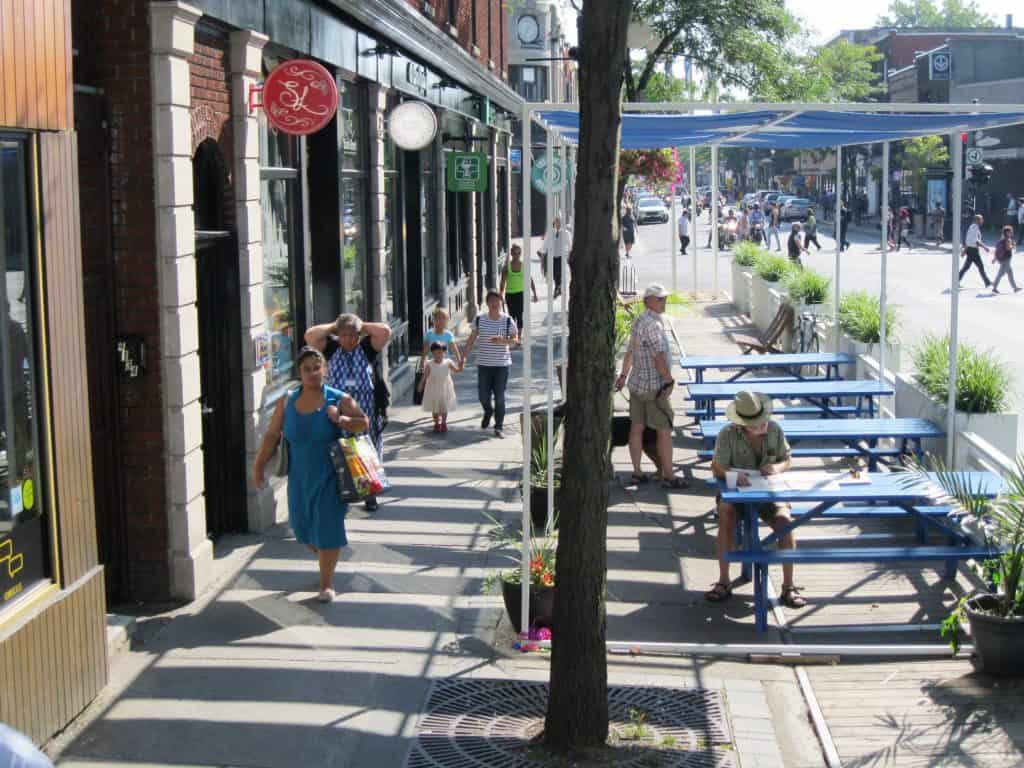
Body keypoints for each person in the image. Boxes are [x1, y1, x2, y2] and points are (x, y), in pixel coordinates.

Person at [253, 347, 369, 602]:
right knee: (303, 529)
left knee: (327, 528)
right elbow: (272, 435)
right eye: (307, 369)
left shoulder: (338, 399)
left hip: (332, 477)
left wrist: (342, 419)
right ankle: (327, 557)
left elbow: (364, 423)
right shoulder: (288, 400)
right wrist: (259, 465)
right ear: (300, 373)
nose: (313, 373)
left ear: (325, 369)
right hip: (299, 479)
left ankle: (326, 583)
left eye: (317, 367)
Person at [705, 390, 805, 607]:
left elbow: (787, 460)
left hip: (770, 493)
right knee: (726, 515)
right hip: (737, 493)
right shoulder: (727, 434)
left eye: (763, 420)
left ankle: (788, 585)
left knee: (785, 522)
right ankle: (723, 580)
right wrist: (733, 474)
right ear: (742, 423)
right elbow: (717, 466)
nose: (762, 425)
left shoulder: (775, 430)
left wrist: (777, 467)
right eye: (756, 423)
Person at [305, 313, 391, 511]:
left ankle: (370, 493)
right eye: (344, 335)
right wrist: (334, 326)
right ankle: (340, 491)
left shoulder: (367, 347)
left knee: (367, 450)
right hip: (338, 410)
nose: (349, 340)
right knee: (339, 449)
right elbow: (310, 336)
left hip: (366, 409)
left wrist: (361, 325)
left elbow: (385, 331)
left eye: (353, 335)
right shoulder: (331, 347)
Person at [615, 283, 688, 490]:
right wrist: (668, 380)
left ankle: (638, 473)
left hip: (637, 385)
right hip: (654, 388)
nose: (663, 301)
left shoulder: (639, 320)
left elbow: (630, 351)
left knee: (636, 428)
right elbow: (658, 357)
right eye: (659, 298)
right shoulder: (653, 325)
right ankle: (669, 476)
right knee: (664, 431)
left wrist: (623, 376)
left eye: (664, 298)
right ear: (648, 300)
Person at [463, 289, 518, 438]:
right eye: (491, 301)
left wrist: (503, 341)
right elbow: (471, 339)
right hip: (484, 364)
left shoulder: (507, 320)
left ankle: (498, 427)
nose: (494, 303)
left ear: (501, 302)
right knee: (483, 396)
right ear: (487, 303)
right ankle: (488, 410)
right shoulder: (480, 319)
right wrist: (464, 357)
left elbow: (515, 341)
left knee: (499, 396)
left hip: (502, 364)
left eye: (497, 300)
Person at [419, 341, 463, 432]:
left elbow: (457, 370)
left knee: (444, 407)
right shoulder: (429, 364)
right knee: (435, 408)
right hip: (433, 388)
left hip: (445, 388)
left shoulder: (448, 362)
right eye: (435, 353)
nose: (437, 355)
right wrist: (421, 384)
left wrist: (461, 366)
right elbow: (425, 376)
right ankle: (436, 423)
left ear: (444, 352)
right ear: (432, 353)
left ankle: (443, 423)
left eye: (439, 353)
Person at [499, 244, 537, 336]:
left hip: (521, 294)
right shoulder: (506, 267)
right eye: (515, 253)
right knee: (512, 316)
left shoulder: (524, 266)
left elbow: (530, 279)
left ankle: (519, 336)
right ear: (511, 254)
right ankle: (514, 335)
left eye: (518, 253)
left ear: (520, 254)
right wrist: (500, 293)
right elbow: (502, 281)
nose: (516, 255)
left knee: (519, 315)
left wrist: (534, 293)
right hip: (510, 294)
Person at [539, 215, 571, 297]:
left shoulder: (565, 233)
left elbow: (569, 244)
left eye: (559, 222)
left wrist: (570, 253)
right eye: (556, 222)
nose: (558, 224)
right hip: (552, 256)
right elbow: (545, 243)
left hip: (561, 256)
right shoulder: (550, 232)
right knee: (553, 273)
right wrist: (542, 252)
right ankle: (558, 288)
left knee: (559, 273)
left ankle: (557, 287)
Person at [959, 213, 992, 289]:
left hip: (970, 249)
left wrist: (965, 250)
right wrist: (985, 247)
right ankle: (987, 282)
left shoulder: (972, 227)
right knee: (980, 266)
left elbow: (968, 240)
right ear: (977, 220)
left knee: (966, 267)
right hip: (973, 250)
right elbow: (975, 241)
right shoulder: (974, 228)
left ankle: (956, 280)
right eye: (981, 219)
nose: (982, 221)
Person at [991, 225, 1021, 294]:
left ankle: (1015, 288)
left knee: (1009, 273)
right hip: (1006, 259)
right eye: (1010, 232)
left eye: (1011, 232)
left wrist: (995, 258)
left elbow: (998, 250)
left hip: (1004, 259)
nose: (1011, 233)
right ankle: (994, 287)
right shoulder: (1007, 240)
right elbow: (1008, 248)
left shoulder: (1002, 239)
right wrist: (1013, 246)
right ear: (1006, 233)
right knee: (1001, 274)